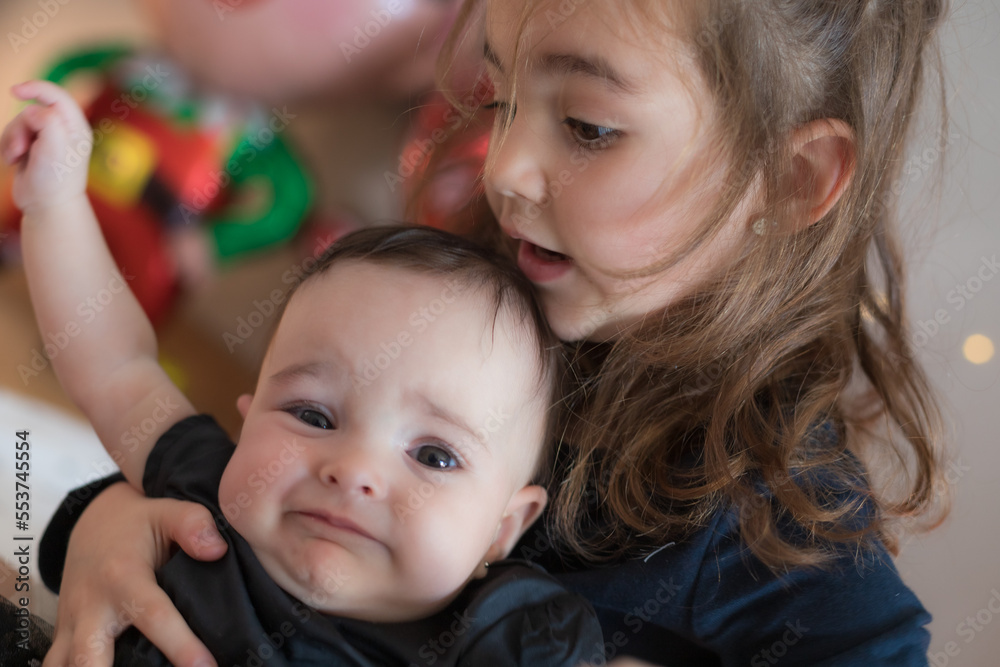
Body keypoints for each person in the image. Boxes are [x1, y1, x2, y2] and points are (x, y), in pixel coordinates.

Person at [30, 0, 952, 665]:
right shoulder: (480, 292)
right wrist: (105, 521)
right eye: (500, 99)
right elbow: (181, 431)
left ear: (790, 180)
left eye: (588, 127)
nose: (504, 167)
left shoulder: (761, 493)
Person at [0, 80, 603, 666]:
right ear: (249, 419)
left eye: (434, 456)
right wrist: (55, 205)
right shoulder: (205, 500)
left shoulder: (493, 636)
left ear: (503, 529)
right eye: (312, 416)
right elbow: (115, 365)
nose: (353, 471)